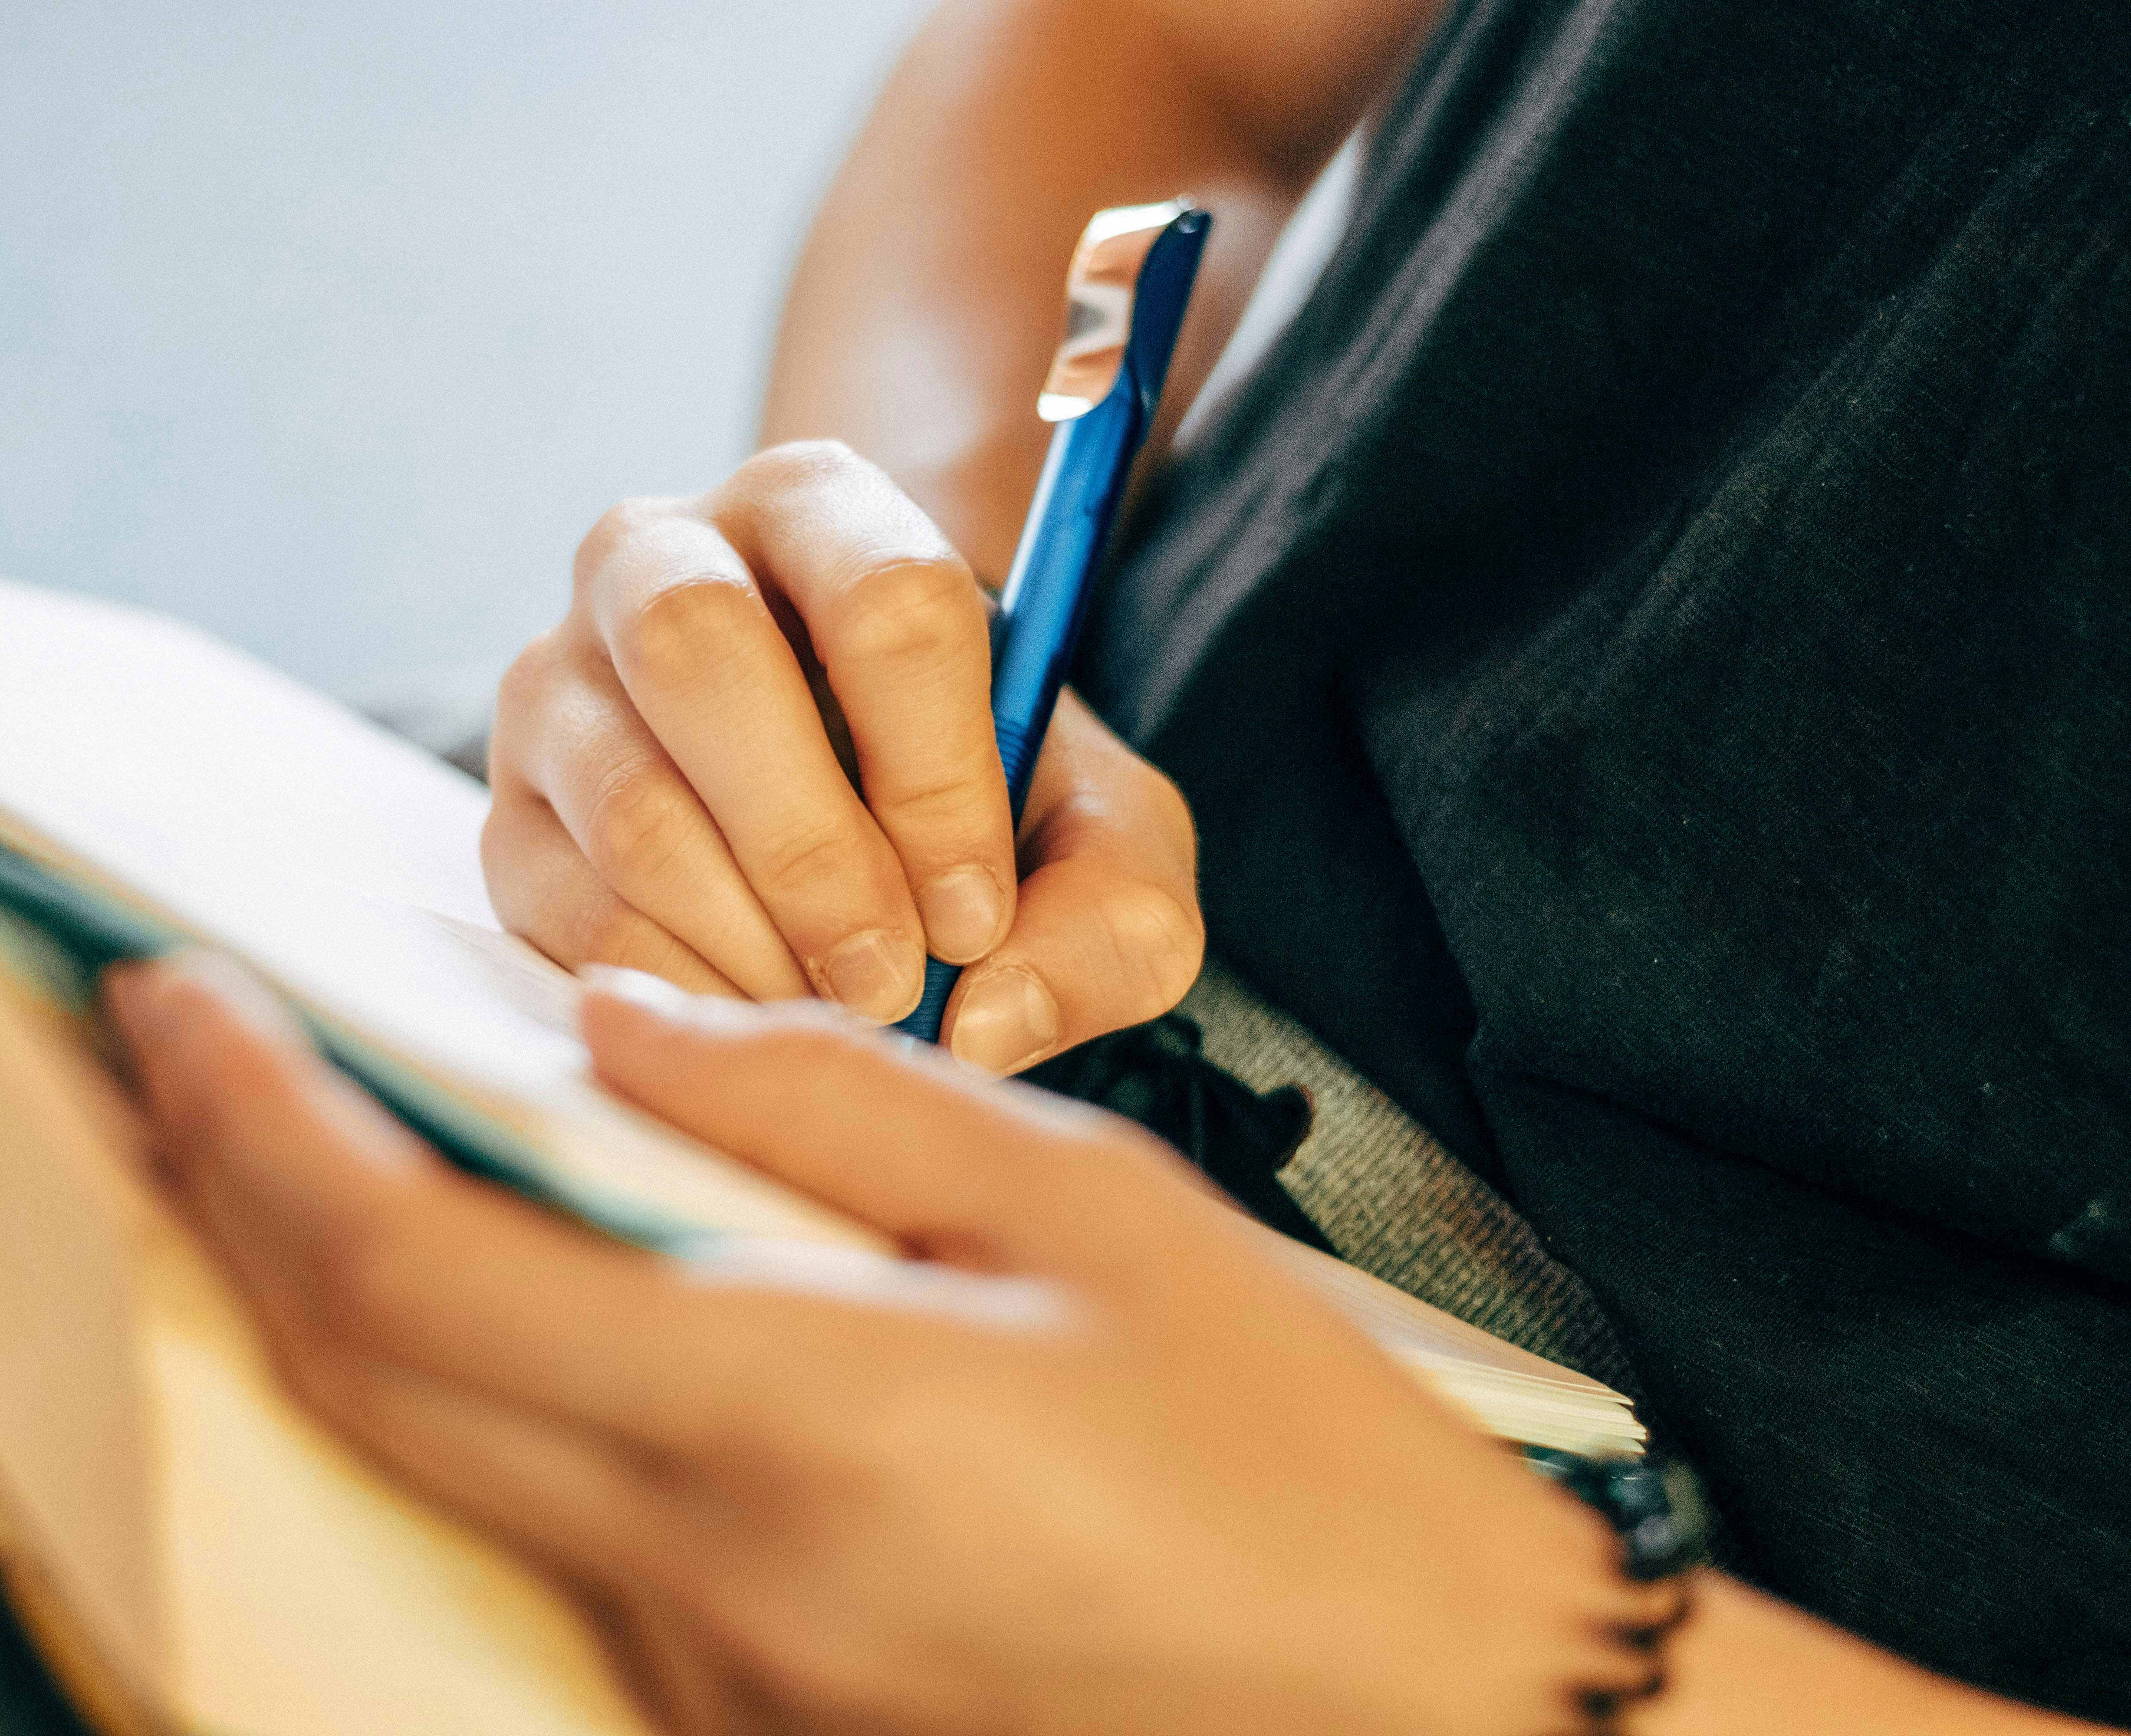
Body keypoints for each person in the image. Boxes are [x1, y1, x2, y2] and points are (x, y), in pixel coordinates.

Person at [108, 0, 2131, 1727]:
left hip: (1616, 1604)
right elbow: (1169, 53)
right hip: (971, 930)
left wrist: (1505, 1662)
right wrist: (906, 581)